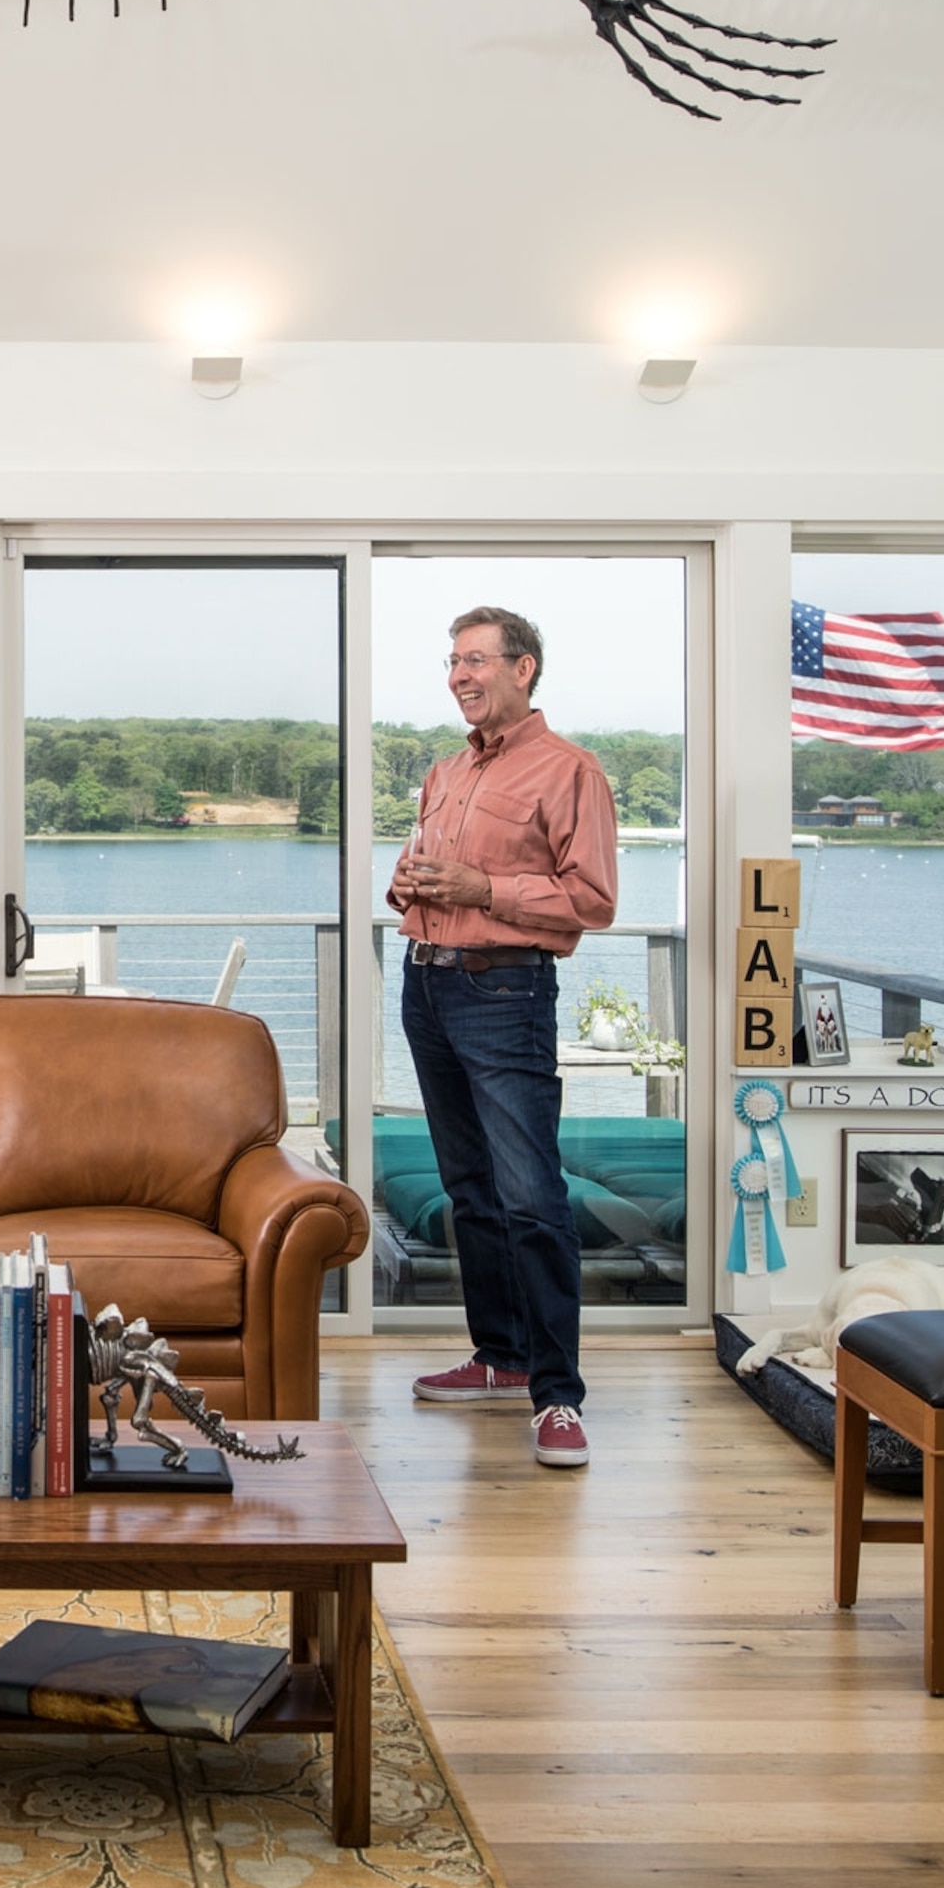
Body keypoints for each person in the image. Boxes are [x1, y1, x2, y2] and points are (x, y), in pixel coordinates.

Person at [388, 606, 619, 1469]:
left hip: (504, 991)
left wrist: (483, 887)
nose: (459, 675)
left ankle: (558, 1397)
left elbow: (591, 900)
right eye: (452, 661)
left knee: (530, 1195)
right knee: (470, 1189)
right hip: (426, 984)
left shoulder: (570, 772)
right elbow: (420, 883)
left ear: (524, 669)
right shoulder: (446, 772)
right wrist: (409, 882)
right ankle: (502, 1358)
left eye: (476, 660)